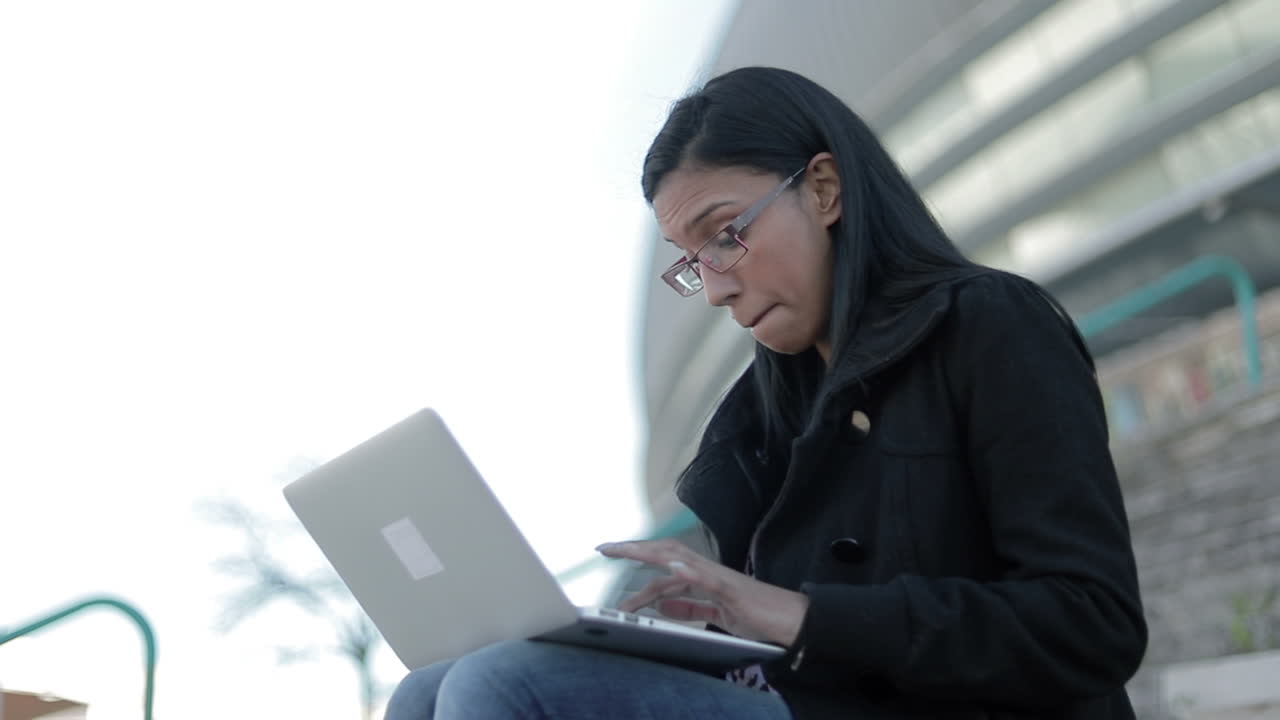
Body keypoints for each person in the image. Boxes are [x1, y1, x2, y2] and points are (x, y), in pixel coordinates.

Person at [385, 66, 1147, 720]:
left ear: (823, 188)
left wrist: (798, 616)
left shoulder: (988, 325)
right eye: (691, 263)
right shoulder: (755, 419)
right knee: (427, 691)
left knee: (505, 682)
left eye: (725, 236)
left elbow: (1092, 623)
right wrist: (691, 635)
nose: (715, 289)